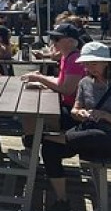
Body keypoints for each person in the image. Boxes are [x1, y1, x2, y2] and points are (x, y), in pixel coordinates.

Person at [40, 42, 111, 211]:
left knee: (93, 135)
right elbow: (75, 109)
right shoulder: (85, 83)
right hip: (87, 132)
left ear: (107, 63)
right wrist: (80, 114)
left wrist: (106, 115)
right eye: (86, 64)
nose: (88, 68)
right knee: (50, 148)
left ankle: (40, 137)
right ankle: (62, 200)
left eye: (93, 64)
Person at [8, 23, 86, 167]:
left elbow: (67, 89)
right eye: (52, 38)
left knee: (31, 114)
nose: (53, 42)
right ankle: (30, 151)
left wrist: (40, 78)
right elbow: (62, 82)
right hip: (65, 104)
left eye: (57, 39)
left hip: (74, 112)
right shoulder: (66, 57)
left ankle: (30, 155)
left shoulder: (75, 60)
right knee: (29, 108)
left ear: (71, 41)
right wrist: (42, 77)